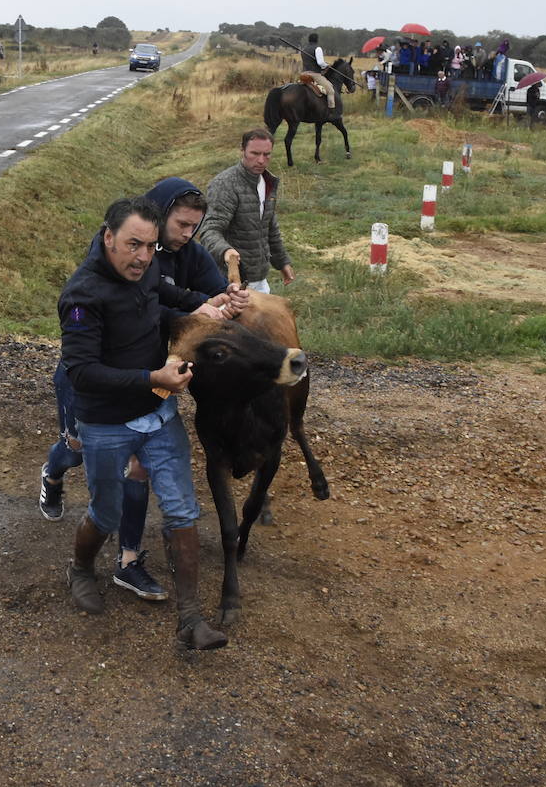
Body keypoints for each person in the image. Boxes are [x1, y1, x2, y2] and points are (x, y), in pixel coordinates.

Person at [39, 180, 246, 596]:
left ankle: (190, 616)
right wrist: (155, 378)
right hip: (105, 419)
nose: (143, 257)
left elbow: (161, 295)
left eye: (151, 247)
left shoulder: (147, 266)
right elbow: (82, 373)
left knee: (182, 508)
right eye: (134, 245)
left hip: (157, 411)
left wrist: (211, 301)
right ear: (108, 236)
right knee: (105, 511)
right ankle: (81, 568)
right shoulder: (82, 296)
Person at [195, 128, 294, 294]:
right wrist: (226, 252)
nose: (261, 160)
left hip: (259, 278)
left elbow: (269, 227)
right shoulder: (225, 184)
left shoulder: (267, 182)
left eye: (267, 154)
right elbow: (209, 230)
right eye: (254, 153)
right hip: (227, 281)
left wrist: (282, 262)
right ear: (242, 150)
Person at [297, 32, 336, 109]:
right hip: (315, 74)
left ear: (309, 40)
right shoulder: (318, 48)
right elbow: (320, 62)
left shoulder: (304, 49)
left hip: (303, 73)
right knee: (331, 90)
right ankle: (332, 110)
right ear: (317, 40)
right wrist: (327, 65)